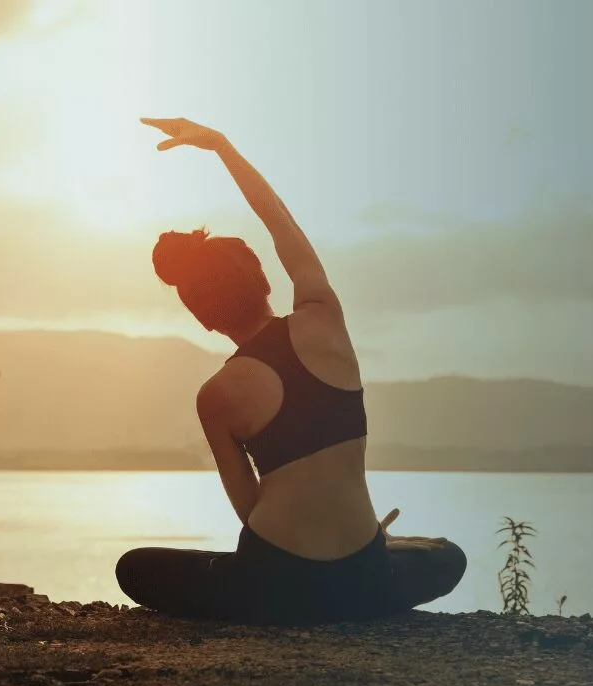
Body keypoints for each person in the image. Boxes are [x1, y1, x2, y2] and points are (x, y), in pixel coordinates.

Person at [115, 117, 467, 624]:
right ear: (263, 279)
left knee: (136, 568)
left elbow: (250, 510)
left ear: (203, 318)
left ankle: (287, 591)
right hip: (364, 579)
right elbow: (279, 220)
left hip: (275, 587)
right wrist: (220, 146)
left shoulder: (216, 396)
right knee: (446, 555)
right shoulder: (324, 319)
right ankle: (373, 557)